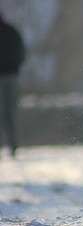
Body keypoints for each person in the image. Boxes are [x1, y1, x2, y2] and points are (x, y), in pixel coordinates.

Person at [0, 12, 25, 157]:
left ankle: (13, 146)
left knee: (10, 112)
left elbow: (21, 52)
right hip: (11, 75)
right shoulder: (12, 31)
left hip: (11, 76)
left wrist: (15, 65)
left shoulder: (11, 32)